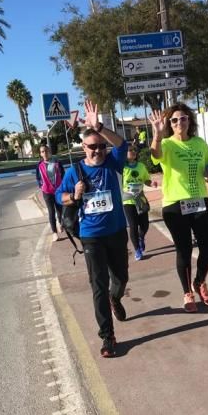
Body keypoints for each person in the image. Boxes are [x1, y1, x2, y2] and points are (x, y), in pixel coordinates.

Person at [56, 101, 128, 358]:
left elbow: (122, 145)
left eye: (100, 146)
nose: (97, 150)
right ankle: (107, 337)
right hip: (91, 236)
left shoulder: (112, 162)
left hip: (117, 231)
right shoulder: (75, 171)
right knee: (98, 285)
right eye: (92, 146)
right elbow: (59, 196)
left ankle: (116, 298)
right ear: (83, 148)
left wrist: (99, 126)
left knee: (120, 279)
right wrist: (73, 196)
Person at [149, 102, 208, 313]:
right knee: (184, 250)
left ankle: (199, 282)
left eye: (184, 118)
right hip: (175, 205)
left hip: (199, 201)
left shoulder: (199, 144)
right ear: (170, 123)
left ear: (190, 120)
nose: (180, 122)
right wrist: (157, 135)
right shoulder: (167, 144)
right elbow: (155, 154)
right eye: (175, 120)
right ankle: (187, 292)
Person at [122, 144, 156, 261]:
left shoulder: (141, 166)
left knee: (145, 225)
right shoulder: (122, 168)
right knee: (133, 225)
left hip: (140, 199)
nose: (133, 152)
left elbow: (146, 179)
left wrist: (151, 184)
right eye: (129, 150)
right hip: (128, 200)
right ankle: (137, 250)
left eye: (134, 150)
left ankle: (141, 237)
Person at [36, 144, 64, 241]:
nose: (45, 153)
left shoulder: (57, 162)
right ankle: (54, 233)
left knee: (59, 209)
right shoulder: (39, 165)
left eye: (46, 151)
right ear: (40, 154)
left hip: (58, 190)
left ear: (49, 151)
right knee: (51, 211)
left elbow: (63, 174)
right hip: (47, 191)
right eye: (42, 151)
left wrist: (63, 186)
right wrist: (41, 186)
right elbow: (38, 177)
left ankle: (60, 223)